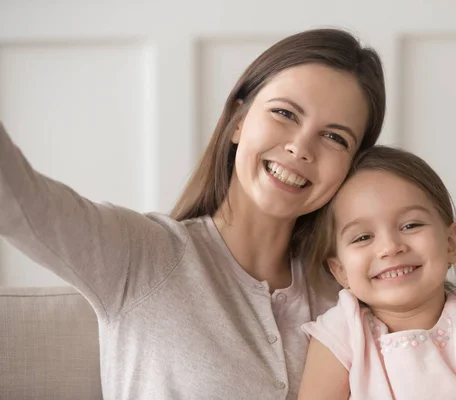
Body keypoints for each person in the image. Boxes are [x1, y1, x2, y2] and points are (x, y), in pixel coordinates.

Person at [0, 28, 386, 399]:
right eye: (285, 113)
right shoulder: (139, 256)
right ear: (238, 120)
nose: (301, 148)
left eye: (335, 137)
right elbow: (18, 201)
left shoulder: (350, 295)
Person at [299, 146, 456, 399]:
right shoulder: (342, 332)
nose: (390, 248)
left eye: (410, 225)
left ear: (451, 242)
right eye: (363, 237)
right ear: (340, 271)